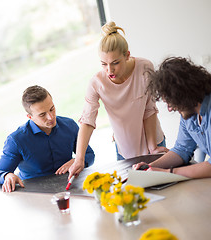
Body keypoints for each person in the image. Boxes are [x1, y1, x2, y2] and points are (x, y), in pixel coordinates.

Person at [68, 21, 167, 179]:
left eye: (115, 63)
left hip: (154, 143)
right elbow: (87, 121)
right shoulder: (96, 83)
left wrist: (153, 148)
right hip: (124, 150)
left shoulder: (144, 68)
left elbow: (149, 110)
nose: (109, 70)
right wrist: (79, 159)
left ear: (127, 55)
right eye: (103, 64)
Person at [0, 85, 95, 192]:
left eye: (52, 109)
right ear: (30, 117)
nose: (50, 117)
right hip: (35, 195)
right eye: (42, 114)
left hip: (71, 188)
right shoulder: (16, 140)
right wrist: (7, 176)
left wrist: (77, 160)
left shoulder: (70, 125)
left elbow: (90, 155)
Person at [133, 57, 211, 178]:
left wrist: (168, 173)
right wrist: (149, 167)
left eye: (171, 102)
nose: (170, 109)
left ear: (185, 92)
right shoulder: (189, 115)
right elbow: (182, 150)